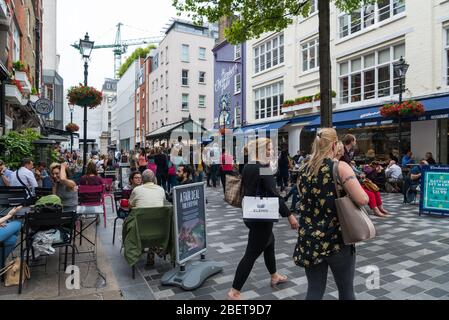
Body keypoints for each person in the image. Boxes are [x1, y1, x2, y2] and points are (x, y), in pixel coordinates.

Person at [295, 128, 369, 300]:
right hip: (336, 239)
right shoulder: (340, 167)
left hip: (309, 238)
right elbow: (363, 199)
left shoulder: (305, 168)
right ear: (335, 144)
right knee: (346, 290)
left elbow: (303, 196)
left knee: (314, 290)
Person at [227, 138, 299, 300]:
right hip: (262, 216)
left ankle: (274, 275)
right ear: (259, 150)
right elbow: (276, 196)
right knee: (251, 254)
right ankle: (234, 292)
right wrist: (290, 216)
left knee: (269, 243)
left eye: (271, 149)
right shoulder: (263, 168)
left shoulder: (248, 167)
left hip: (252, 213)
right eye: (268, 150)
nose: (271, 152)